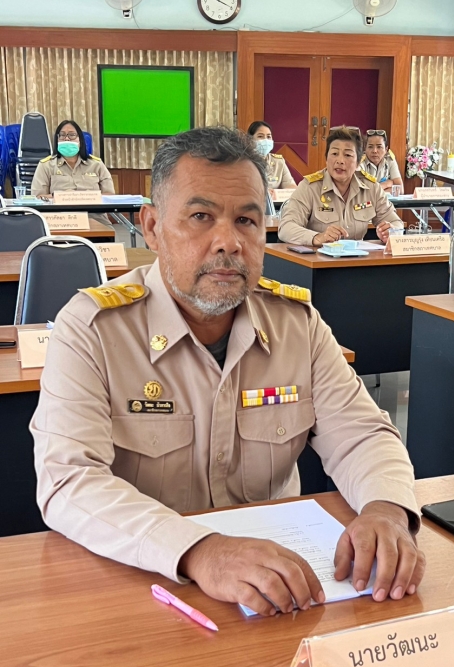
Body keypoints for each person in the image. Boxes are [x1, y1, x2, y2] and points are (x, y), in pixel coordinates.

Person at [31, 126, 424, 618]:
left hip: (281, 593)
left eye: (246, 220)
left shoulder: (296, 325)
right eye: (200, 217)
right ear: (151, 227)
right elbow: (69, 479)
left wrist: (386, 509)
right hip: (146, 585)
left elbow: (362, 435)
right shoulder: (92, 329)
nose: (229, 242)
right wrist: (199, 549)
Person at [278, 126, 403, 247]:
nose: (340, 161)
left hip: (358, 258)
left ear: (358, 162)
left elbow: (396, 222)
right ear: (326, 158)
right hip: (317, 258)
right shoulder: (309, 187)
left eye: (348, 155)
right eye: (334, 153)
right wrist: (318, 237)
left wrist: (391, 232)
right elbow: (286, 228)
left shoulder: (371, 188)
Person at [31, 119, 115, 199]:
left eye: (72, 135)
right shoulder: (46, 166)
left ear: (80, 140)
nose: (67, 138)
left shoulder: (97, 164)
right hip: (60, 209)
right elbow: (37, 198)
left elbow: (110, 195)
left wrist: (85, 196)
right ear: (57, 140)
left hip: (92, 209)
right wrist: (61, 196)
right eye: (62, 135)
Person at [247, 120, 296, 193]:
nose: (265, 140)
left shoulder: (278, 161)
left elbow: (291, 186)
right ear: (250, 140)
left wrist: (276, 193)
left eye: (268, 136)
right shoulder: (243, 162)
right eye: (260, 136)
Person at [359, 129, 403, 193]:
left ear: (386, 149)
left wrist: (377, 191)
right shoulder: (359, 162)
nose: (374, 151)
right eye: (370, 147)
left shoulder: (389, 160)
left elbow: (400, 190)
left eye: (379, 147)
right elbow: (363, 192)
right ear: (365, 148)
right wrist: (386, 184)